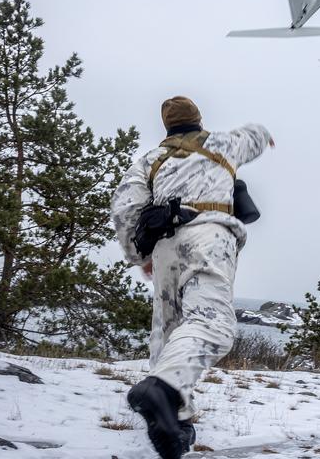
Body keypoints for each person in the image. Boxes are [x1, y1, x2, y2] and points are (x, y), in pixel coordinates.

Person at [110, 96, 273, 459]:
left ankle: (177, 423)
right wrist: (265, 138)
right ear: (199, 120)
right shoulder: (224, 144)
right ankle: (165, 389)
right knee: (212, 324)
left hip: (165, 245)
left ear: (167, 127)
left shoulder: (150, 161)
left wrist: (141, 255)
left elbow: (124, 209)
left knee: (167, 331)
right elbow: (256, 134)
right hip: (209, 237)